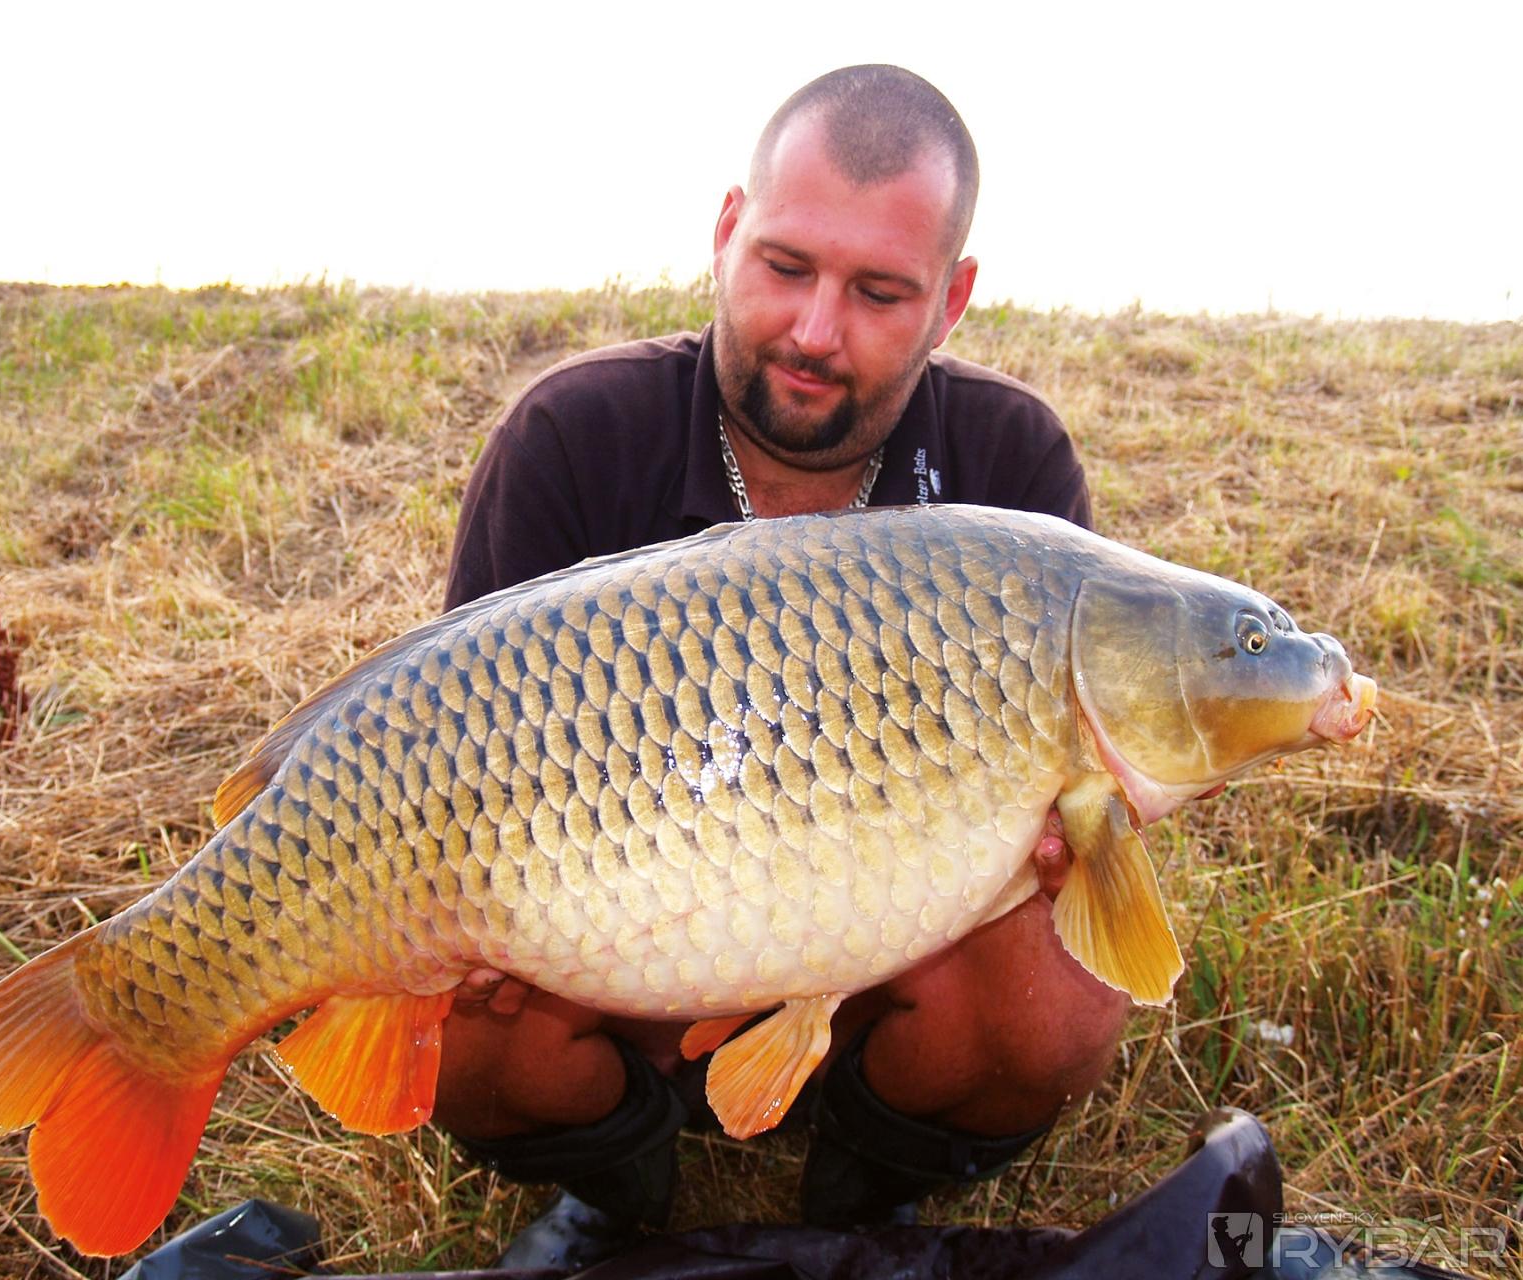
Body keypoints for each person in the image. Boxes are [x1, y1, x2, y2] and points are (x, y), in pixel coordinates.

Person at [434, 65, 1127, 1269]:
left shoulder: (1009, 467)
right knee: (445, 1010)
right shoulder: (570, 436)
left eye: (878, 291)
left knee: (1053, 993)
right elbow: (450, 756)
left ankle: (873, 1179)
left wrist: (1074, 837)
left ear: (951, 300)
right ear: (725, 232)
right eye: (784, 266)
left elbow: (1085, 801)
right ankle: (611, 1179)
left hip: (884, 965)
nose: (814, 330)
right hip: (611, 960)